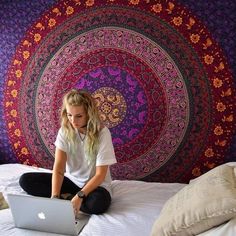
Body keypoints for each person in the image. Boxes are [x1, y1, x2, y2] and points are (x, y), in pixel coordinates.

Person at [19, 89, 117, 215]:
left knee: (97, 204)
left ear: (89, 113)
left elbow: (100, 175)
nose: (73, 121)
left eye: (79, 116)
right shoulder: (65, 131)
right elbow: (59, 168)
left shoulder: (103, 133)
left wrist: (80, 196)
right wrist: (54, 197)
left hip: (96, 186)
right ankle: (64, 199)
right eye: (70, 115)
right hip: (72, 181)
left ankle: (68, 198)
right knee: (26, 181)